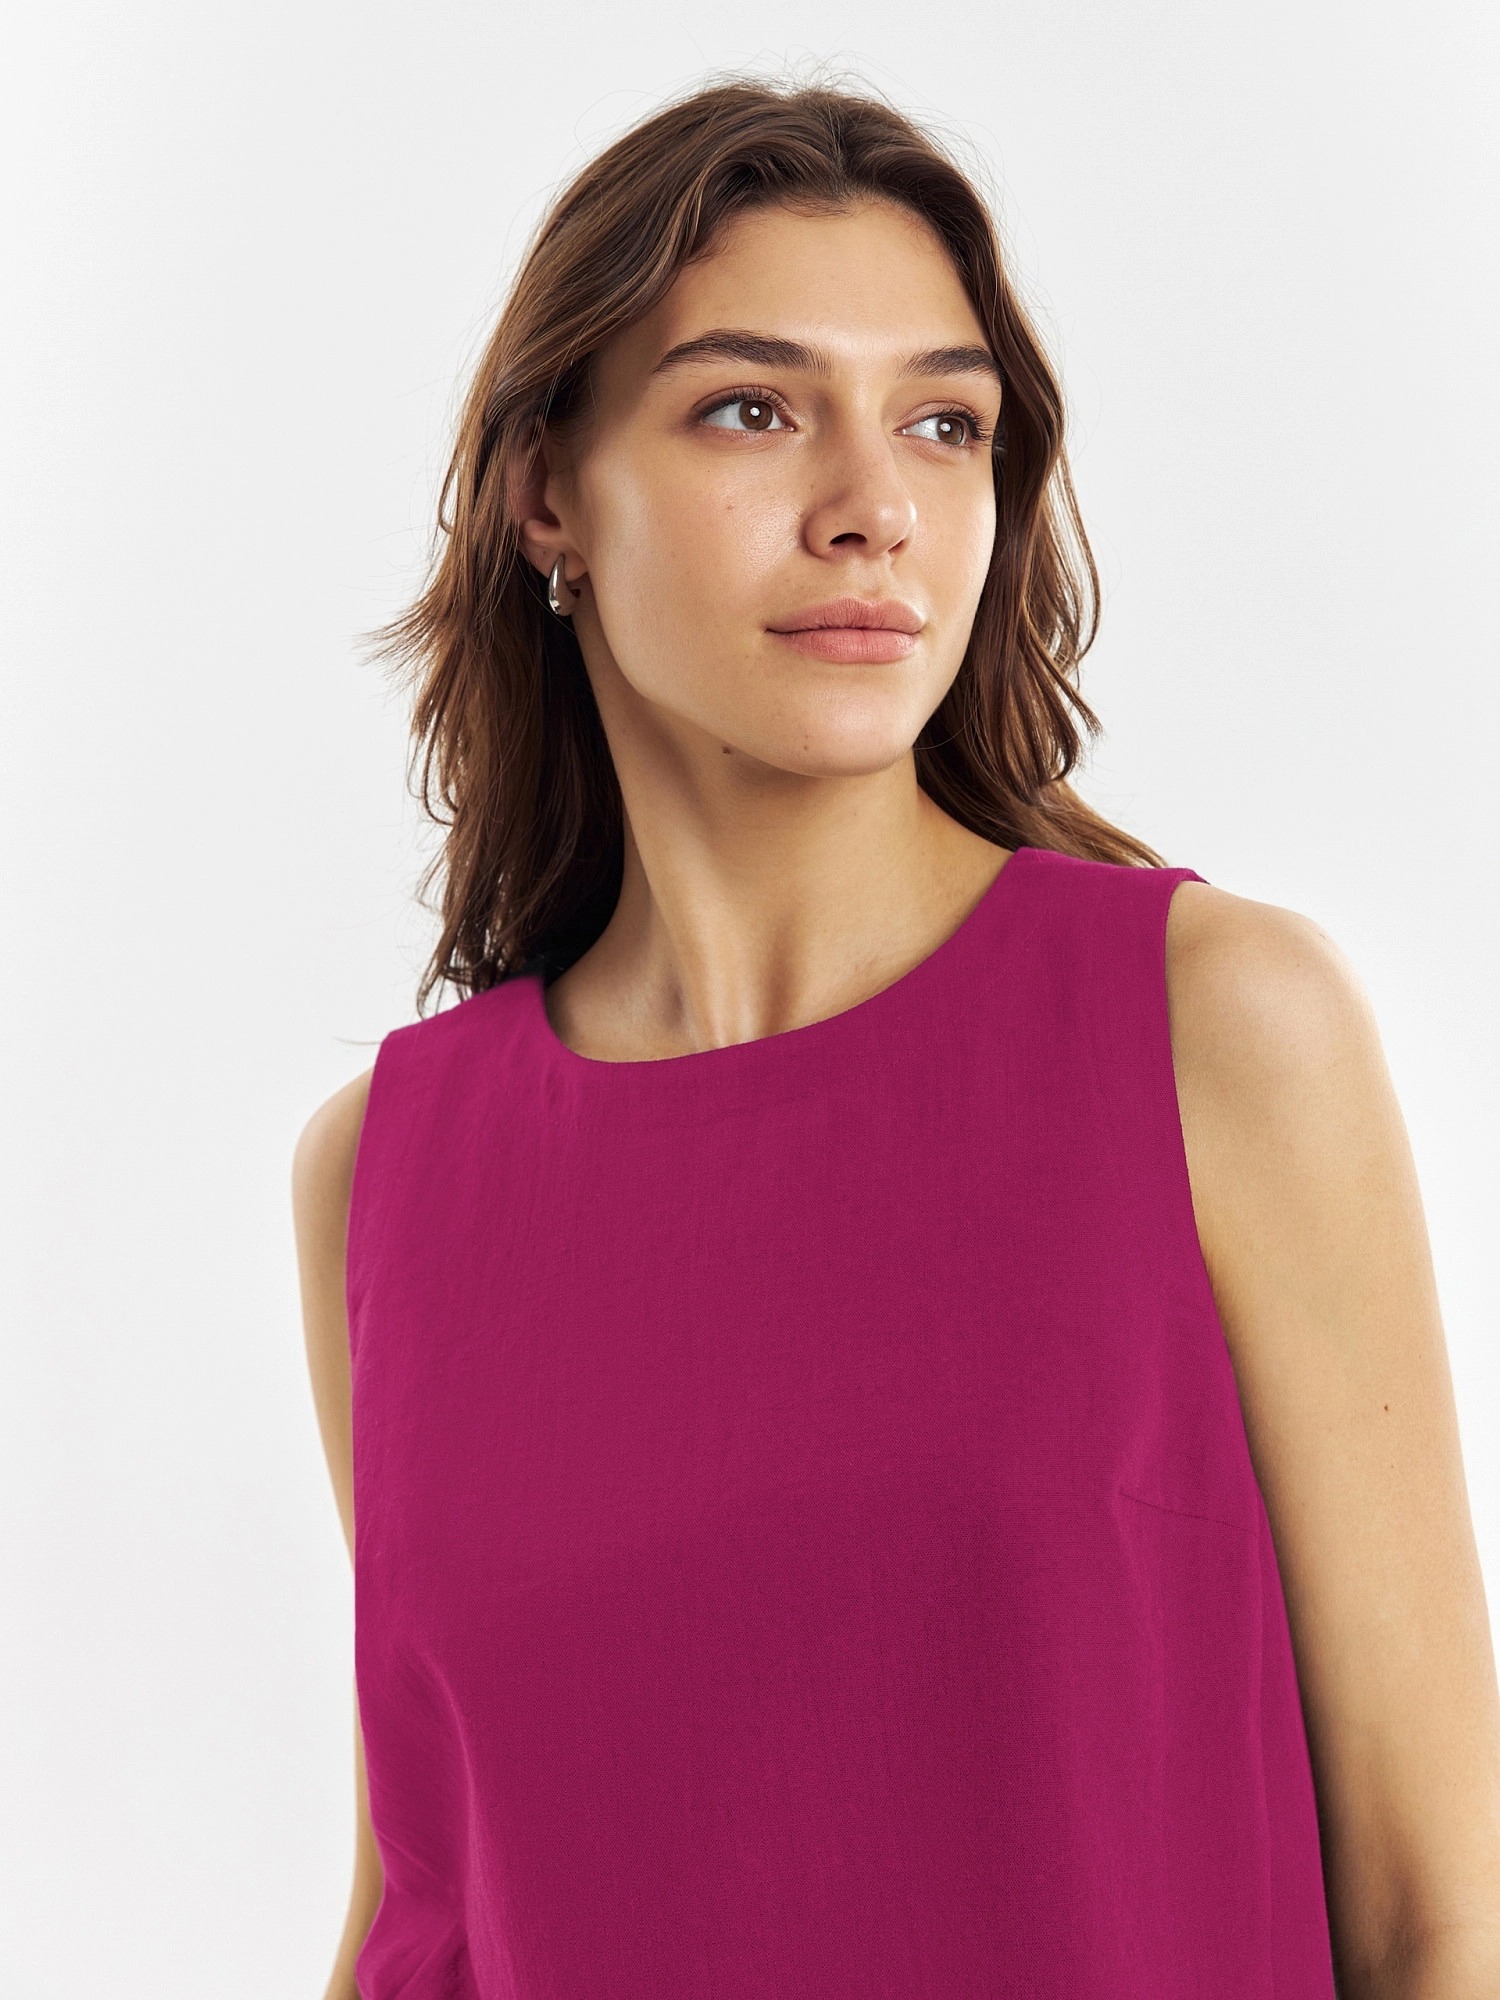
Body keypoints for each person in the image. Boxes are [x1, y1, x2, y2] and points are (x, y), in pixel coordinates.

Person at [291, 76, 1500, 2000]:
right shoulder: (391, 1172)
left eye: (946, 424)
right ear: (547, 495)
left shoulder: (1215, 1029)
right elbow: (425, 1906)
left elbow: (1444, 1913)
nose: (875, 509)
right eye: (752, 410)